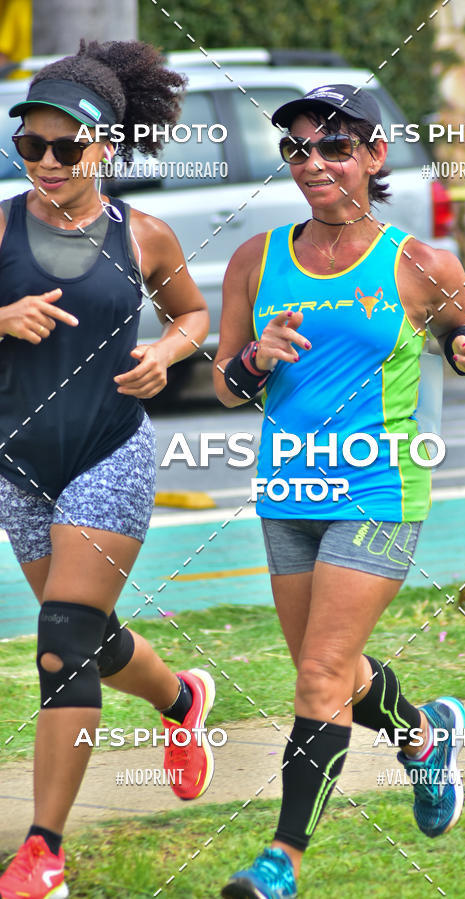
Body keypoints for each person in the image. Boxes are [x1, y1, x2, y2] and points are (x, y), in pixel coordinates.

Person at [214, 84, 465, 899]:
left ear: (374, 156)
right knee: (329, 672)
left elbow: (460, 331)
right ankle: (425, 736)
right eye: (298, 148)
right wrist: (257, 359)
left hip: (378, 486)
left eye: (334, 145)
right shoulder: (253, 259)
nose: (314, 163)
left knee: (317, 677)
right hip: (287, 490)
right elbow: (229, 384)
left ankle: (281, 860)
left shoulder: (418, 260)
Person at [0, 40, 215, 899]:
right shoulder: (3, 226)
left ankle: (43, 849)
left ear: (107, 146)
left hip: (108, 453)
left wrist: (166, 351)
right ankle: (182, 702)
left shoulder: (146, 235)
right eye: (29, 145)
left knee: (60, 647)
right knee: (87, 635)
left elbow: (193, 313)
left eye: (65, 146)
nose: (45, 163)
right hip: (17, 465)